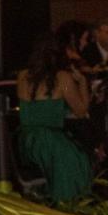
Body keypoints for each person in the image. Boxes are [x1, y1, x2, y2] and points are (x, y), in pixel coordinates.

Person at [16, 34, 92, 202]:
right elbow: (81, 111)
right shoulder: (62, 77)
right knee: (80, 159)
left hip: (26, 139)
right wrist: (83, 83)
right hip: (49, 141)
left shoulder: (22, 76)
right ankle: (69, 204)